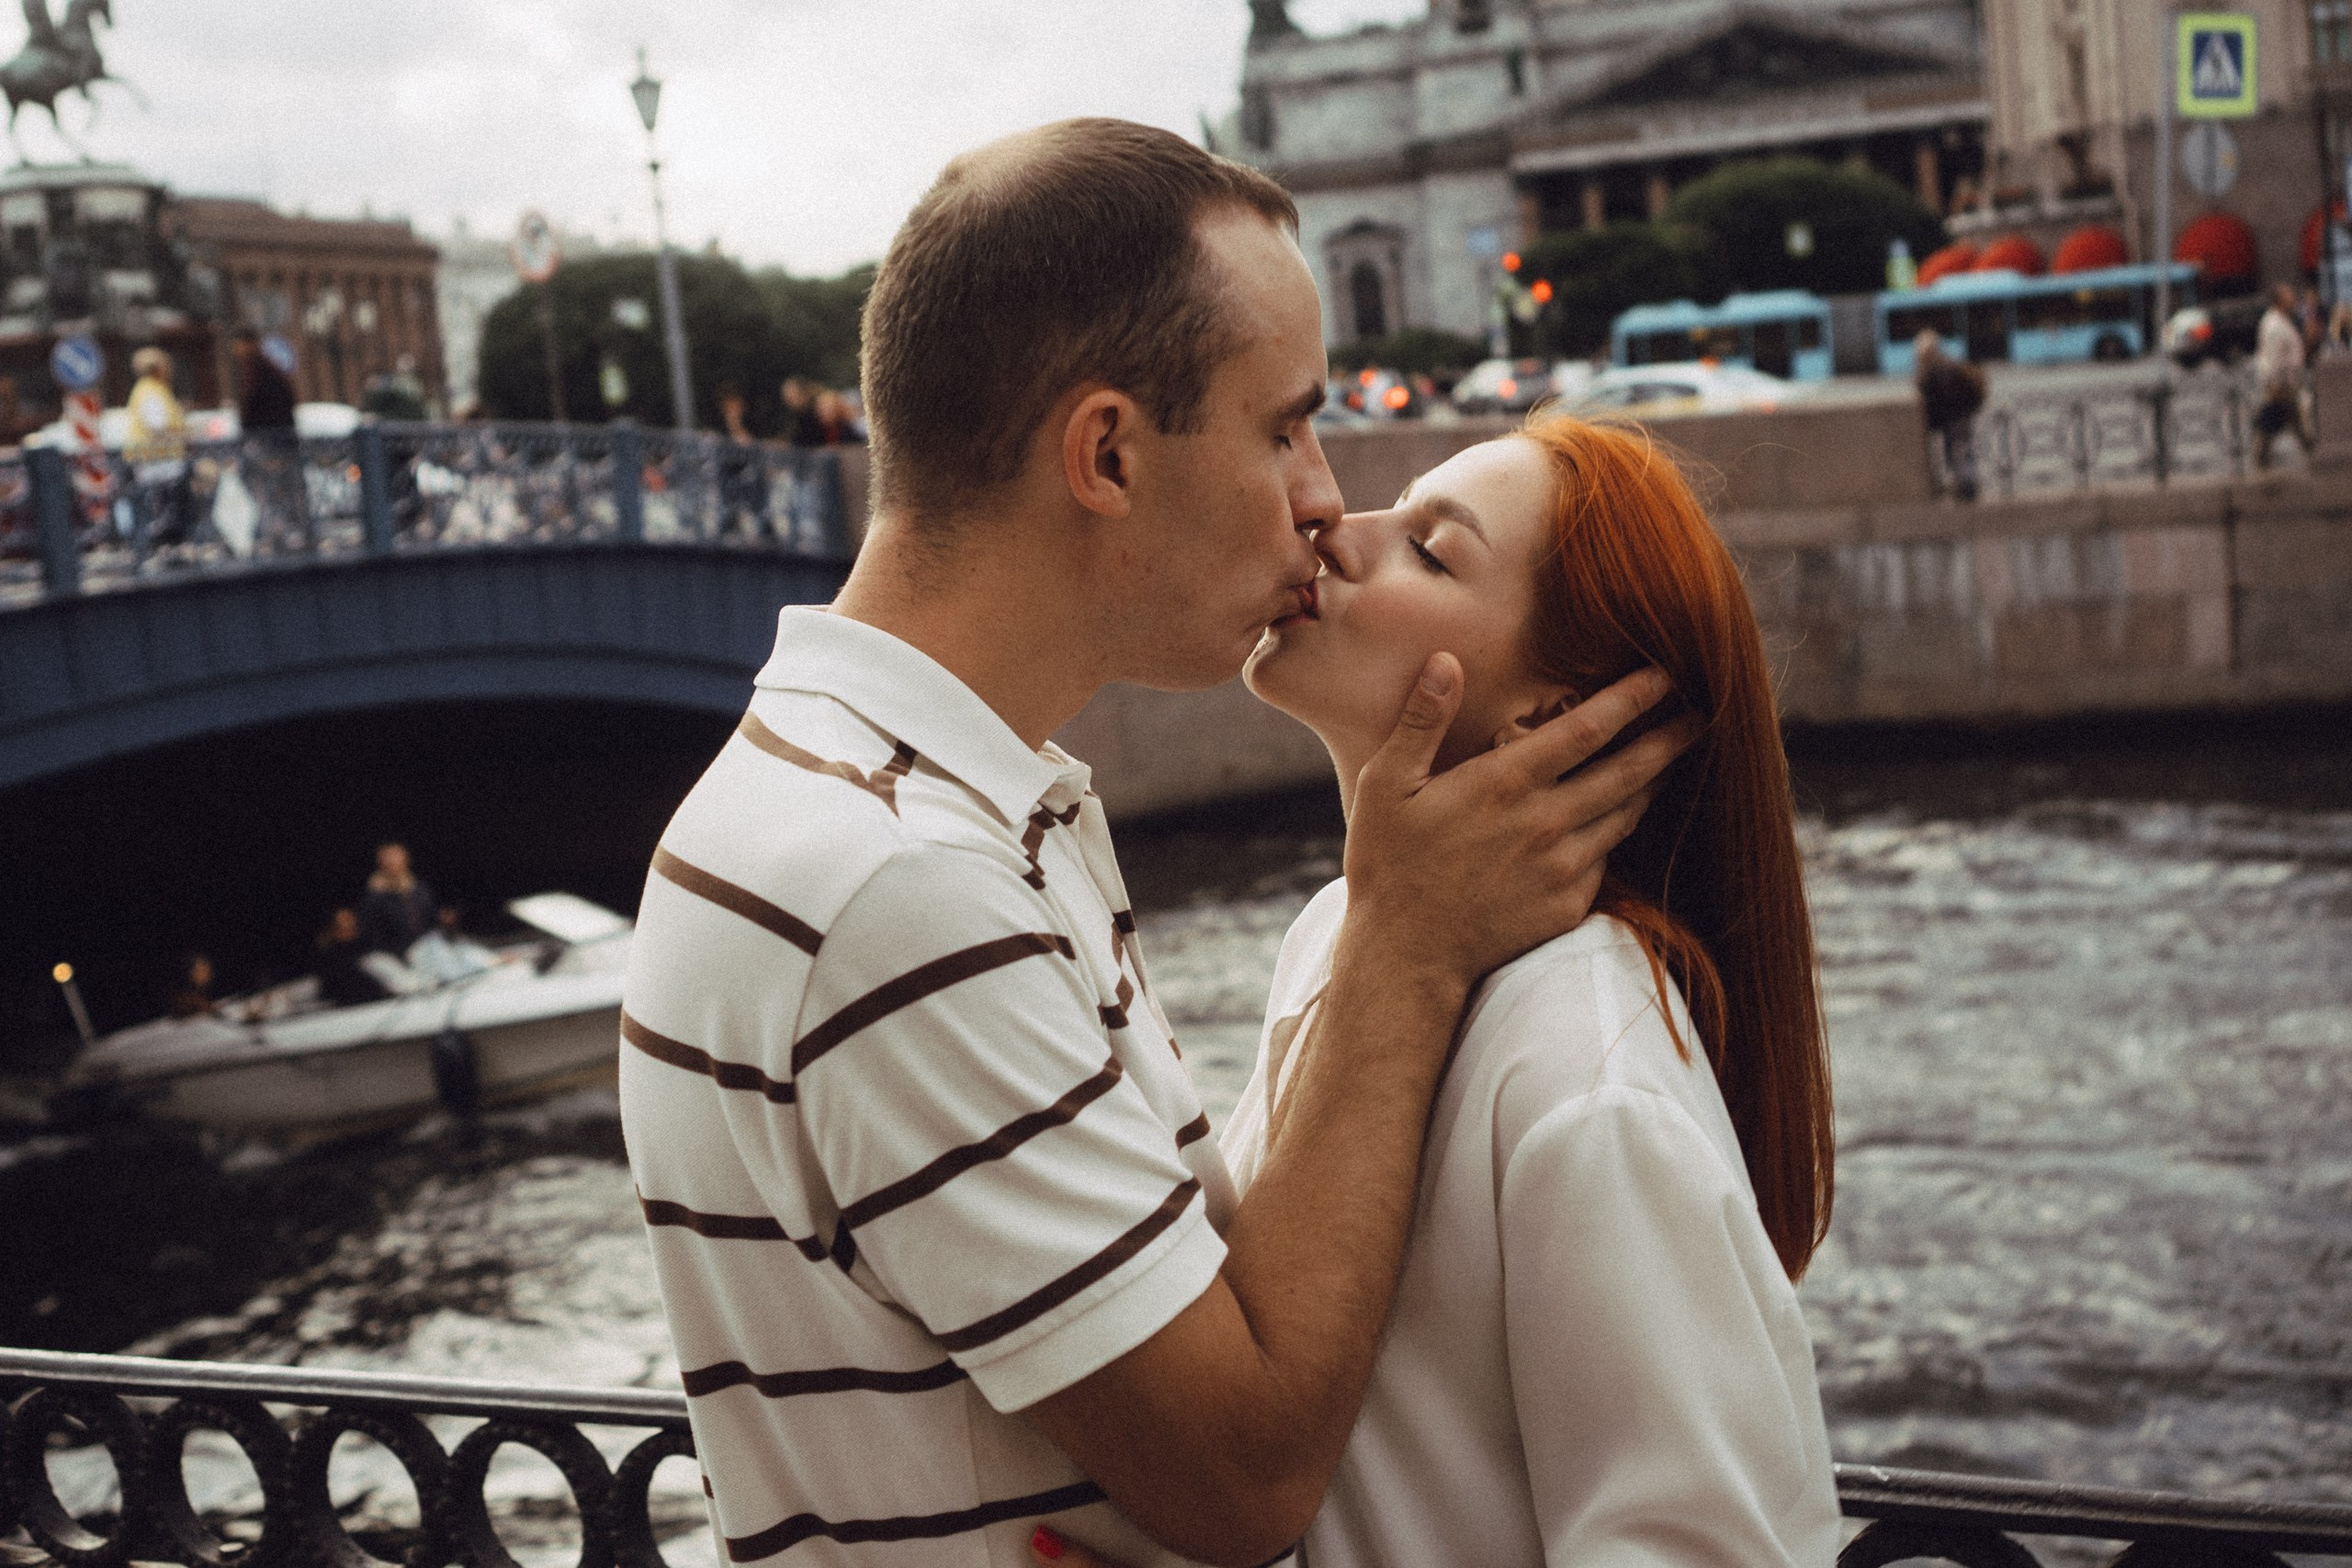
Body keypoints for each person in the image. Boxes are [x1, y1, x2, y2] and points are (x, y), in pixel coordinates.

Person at [618, 118, 1689, 1568]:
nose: (1323, 493)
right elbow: (1241, 1480)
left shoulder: (863, 801)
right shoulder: (900, 887)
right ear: (1108, 453)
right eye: (1284, 425)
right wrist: (1407, 944)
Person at [125, 346, 192, 546]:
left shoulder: (151, 389)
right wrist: (186, 433)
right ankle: (169, 545)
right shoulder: (151, 391)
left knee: (166, 508)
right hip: (159, 462)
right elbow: (158, 427)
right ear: (157, 368)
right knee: (168, 509)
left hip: (158, 461)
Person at [1914, 331, 1984, 502]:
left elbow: (1935, 400)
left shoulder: (1934, 370)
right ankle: (1967, 486)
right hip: (1962, 416)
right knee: (1962, 451)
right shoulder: (1949, 363)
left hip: (1953, 418)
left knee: (1957, 451)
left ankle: (1966, 489)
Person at [2255, 284, 2313, 468]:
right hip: (2281, 385)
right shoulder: (2274, 325)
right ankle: (2261, 462)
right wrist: (2275, 385)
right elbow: (2274, 358)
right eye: (2289, 296)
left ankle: (2313, 453)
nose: (2293, 299)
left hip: (2287, 383)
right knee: (2273, 421)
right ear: (2280, 301)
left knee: (2289, 422)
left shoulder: (2283, 320)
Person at [358, 842, 436, 956]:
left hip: (427, 948)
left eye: (395, 855)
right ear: (379, 862)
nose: (391, 861)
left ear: (406, 859)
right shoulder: (374, 896)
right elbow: (372, 934)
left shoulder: (420, 889)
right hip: (392, 955)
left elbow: (431, 921)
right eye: (387, 857)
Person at [315, 908, 390, 1007]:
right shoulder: (330, 955)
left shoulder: (367, 945)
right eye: (344, 921)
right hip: (346, 1005)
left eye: (350, 919)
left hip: (378, 1000)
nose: (350, 923)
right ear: (334, 929)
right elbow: (331, 986)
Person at [168, 953, 218, 1019]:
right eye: (202, 970)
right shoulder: (185, 998)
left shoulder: (200, 993)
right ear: (191, 972)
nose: (208, 972)